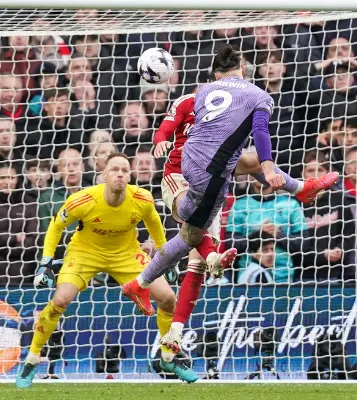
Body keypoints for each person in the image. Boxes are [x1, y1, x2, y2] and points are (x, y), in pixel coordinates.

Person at [123, 44, 338, 333]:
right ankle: (203, 264)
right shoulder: (192, 99)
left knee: (198, 230)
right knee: (193, 235)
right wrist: (160, 140)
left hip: (213, 167)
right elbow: (166, 126)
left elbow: (252, 131)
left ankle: (171, 331)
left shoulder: (227, 99)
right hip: (178, 174)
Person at [15, 153, 195, 388]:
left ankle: (168, 358)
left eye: (124, 170)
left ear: (129, 176)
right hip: (84, 253)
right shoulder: (83, 200)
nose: (120, 174)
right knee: (60, 300)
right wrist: (46, 261)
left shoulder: (142, 198)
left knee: (169, 298)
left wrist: (166, 259)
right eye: (114, 170)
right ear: (103, 174)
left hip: (126, 254)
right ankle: (32, 359)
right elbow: (56, 226)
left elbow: (156, 227)